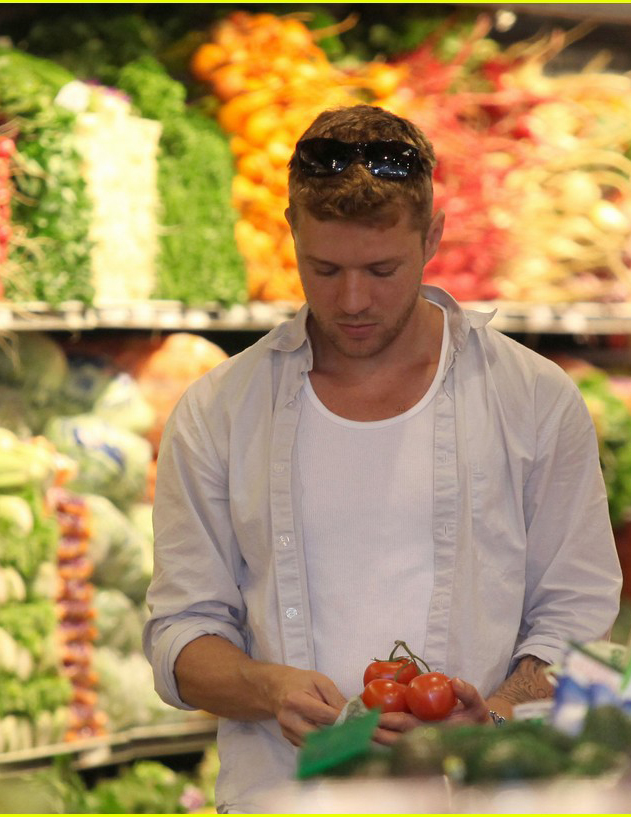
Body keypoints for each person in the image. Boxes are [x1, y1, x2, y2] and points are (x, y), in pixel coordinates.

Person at [143, 103, 622, 813]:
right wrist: (265, 687)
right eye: (324, 268)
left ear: (431, 235)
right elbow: (179, 633)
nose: (352, 299)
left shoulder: (533, 401)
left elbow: (578, 619)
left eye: (381, 267)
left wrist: (491, 716)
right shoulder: (218, 411)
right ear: (290, 231)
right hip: (279, 797)